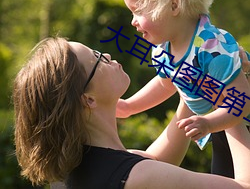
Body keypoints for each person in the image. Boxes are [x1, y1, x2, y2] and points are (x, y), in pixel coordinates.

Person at [13, 37, 250, 189]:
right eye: (97, 59)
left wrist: (190, 83)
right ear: (88, 99)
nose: (106, 55)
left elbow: (157, 160)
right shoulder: (138, 177)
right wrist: (228, 97)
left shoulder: (73, 173)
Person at [118, 0, 250, 178]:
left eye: (138, 11)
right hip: (219, 126)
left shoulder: (211, 47)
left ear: (173, 6)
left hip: (238, 123)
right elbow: (165, 84)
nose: (133, 21)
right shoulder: (163, 50)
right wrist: (130, 106)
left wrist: (209, 123)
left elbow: (241, 102)